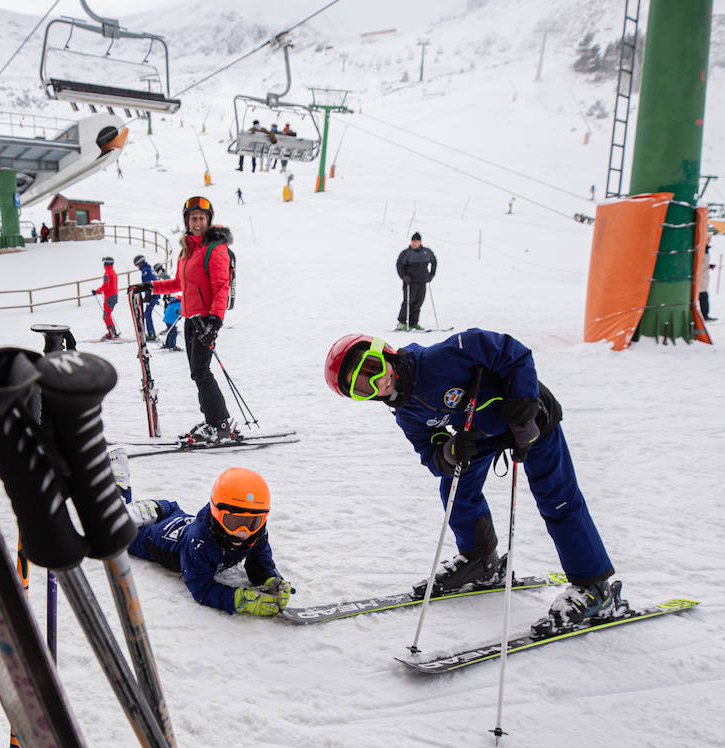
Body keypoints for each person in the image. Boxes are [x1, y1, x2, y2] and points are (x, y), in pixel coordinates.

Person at [323, 329, 616, 637]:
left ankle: (594, 587)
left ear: (384, 352)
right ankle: (480, 560)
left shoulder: (444, 356)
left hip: (531, 420)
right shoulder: (406, 412)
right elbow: (431, 453)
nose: (377, 383)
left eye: (372, 368)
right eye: (361, 388)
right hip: (482, 431)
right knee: (455, 485)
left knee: (557, 498)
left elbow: (513, 352)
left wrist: (523, 409)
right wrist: (449, 452)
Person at [126, 467, 293, 616]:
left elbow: (259, 563)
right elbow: (201, 588)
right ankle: (121, 497)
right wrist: (240, 600)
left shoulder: (257, 534)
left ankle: (154, 508)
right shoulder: (200, 542)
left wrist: (270, 580)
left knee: (170, 510)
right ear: (216, 513)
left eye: (252, 522)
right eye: (234, 522)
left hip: (179, 517)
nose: (243, 532)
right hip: (149, 538)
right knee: (116, 532)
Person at [135, 196, 236, 442]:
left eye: (202, 218)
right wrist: (151, 287)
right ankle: (212, 419)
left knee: (202, 371)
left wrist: (215, 321)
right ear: (187, 221)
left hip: (205, 320)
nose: (198, 222)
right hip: (190, 318)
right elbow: (179, 283)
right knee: (197, 373)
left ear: (209, 220)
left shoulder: (215, 249)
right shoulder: (187, 250)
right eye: (193, 218)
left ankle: (220, 422)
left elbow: (221, 287)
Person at [395, 232, 437, 331]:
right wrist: (403, 276)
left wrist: (431, 274)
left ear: (420, 242)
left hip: (422, 281)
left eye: (416, 241)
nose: (414, 243)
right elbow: (399, 265)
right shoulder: (406, 253)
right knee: (408, 302)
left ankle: (414, 322)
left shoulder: (426, 252)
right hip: (410, 282)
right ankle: (402, 322)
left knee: (418, 303)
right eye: (413, 241)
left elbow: (434, 262)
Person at [132, 254, 160, 341]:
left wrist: (151, 296)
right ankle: (150, 331)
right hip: (153, 295)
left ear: (140, 263)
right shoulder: (147, 270)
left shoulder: (146, 271)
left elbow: (149, 284)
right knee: (147, 314)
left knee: (147, 314)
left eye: (137, 265)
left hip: (153, 295)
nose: (137, 267)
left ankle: (151, 333)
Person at [93, 255, 120, 340]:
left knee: (106, 316)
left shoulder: (107, 273)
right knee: (107, 315)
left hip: (109, 297)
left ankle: (112, 332)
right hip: (113, 296)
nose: (103, 265)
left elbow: (106, 286)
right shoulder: (113, 272)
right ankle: (112, 332)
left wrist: (97, 291)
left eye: (104, 263)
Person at [698, 245, 716, 321]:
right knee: (703, 297)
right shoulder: (702, 255)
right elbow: (701, 266)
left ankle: (704, 315)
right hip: (701, 280)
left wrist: (708, 266)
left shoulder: (705, 256)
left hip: (703, 280)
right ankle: (704, 315)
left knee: (704, 297)